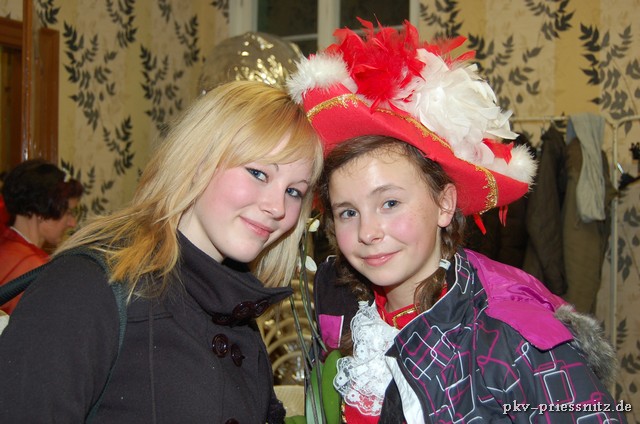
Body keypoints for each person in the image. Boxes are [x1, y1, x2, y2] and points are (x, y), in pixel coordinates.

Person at [286, 19, 625, 423]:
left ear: (444, 204)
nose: (367, 232)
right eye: (348, 212)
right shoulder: (345, 311)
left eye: (390, 202)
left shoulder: (514, 337)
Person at [0, 80, 323, 423]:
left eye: (294, 191)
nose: (277, 207)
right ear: (198, 160)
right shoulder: (85, 287)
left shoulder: (236, 310)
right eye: (258, 173)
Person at [0, 159, 83, 314]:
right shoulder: (33, 268)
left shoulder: (6, 247)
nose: (72, 223)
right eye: (68, 213)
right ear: (41, 211)